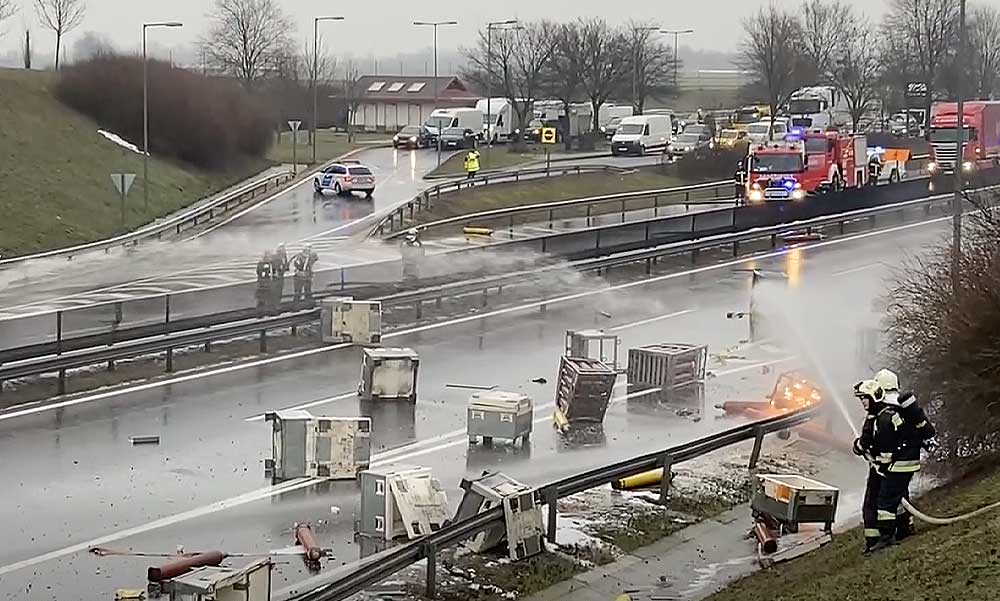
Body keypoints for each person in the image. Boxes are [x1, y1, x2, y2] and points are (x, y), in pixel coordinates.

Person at [873, 368, 938, 540]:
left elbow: (888, 440)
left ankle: (886, 536)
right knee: (900, 495)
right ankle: (905, 528)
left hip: (898, 461)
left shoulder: (888, 409)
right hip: (910, 460)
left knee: (886, 501)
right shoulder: (904, 406)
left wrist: (882, 462)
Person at [852, 379, 886, 554]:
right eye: (861, 398)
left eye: (865, 398)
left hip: (880, 468)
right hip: (887, 467)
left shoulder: (876, 418)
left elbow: (865, 442)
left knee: (871, 505)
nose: (863, 402)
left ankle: (874, 540)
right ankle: (899, 530)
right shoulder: (886, 414)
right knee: (889, 502)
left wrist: (858, 446)